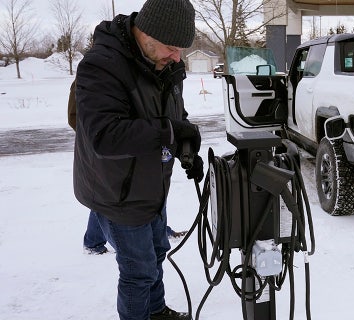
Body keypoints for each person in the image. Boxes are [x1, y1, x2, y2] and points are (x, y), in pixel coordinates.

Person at [72, 0, 203, 319]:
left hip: (153, 185)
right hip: (117, 190)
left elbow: (174, 113)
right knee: (138, 272)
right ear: (145, 34)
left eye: (181, 50)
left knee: (157, 253)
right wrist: (168, 131)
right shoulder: (101, 65)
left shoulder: (166, 63)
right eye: (172, 47)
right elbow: (104, 134)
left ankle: (155, 311)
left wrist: (185, 142)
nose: (177, 57)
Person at [69, 77, 188, 256]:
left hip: (150, 157)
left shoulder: (161, 71)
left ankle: (95, 241)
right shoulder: (95, 73)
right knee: (108, 199)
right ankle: (93, 241)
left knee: (143, 195)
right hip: (113, 159)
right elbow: (77, 117)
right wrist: (104, 142)